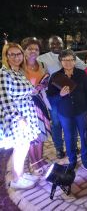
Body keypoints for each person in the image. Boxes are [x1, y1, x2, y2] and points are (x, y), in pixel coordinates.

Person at [0, 43, 41, 190]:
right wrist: (18, 118)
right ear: (6, 56)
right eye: (12, 54)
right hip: (17, 118)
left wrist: (33, 91)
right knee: (20, 147)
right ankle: (17, 179)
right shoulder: (4, 73)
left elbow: (24, 90)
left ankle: (21, 174)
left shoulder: (18, 72)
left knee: (24, 147)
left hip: (26, 113)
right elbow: (4, 99)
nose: (16, 57)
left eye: (19, 54)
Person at [37, 35, 85, 159]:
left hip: (70, 97)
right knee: (57, 124)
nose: (56, 46)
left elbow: (83, 67)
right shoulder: (42, 58)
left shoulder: (69, 55)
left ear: (62, 44)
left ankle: (73, 146)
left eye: (58, 44)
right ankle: (59, 148)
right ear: (49, 45)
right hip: (54, 98)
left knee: (71, 123)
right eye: (53, 44)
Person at [47, 49, 87, 170]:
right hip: (65, 113)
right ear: (60, 61)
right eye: (65, 60)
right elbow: (50, 97)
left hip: (81, 111)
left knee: (84, 136)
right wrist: (59, 95)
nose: (68, 62)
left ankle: (84, 158)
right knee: (69, 137)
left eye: (71, 59)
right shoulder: (55, 76)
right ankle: (72, 160)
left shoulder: (82, 74)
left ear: (74, 60)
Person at [21, 37, 51, 175]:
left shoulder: (42, 65)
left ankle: (40, 158)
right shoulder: (19, 67)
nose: (33, 51)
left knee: (42, 132)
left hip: (40, 101)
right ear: (24, 51)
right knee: (32, 135)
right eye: (30, 49)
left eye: (36, 49)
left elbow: (45, 80)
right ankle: (34, 162)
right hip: (27, 104)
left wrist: (43, 83)